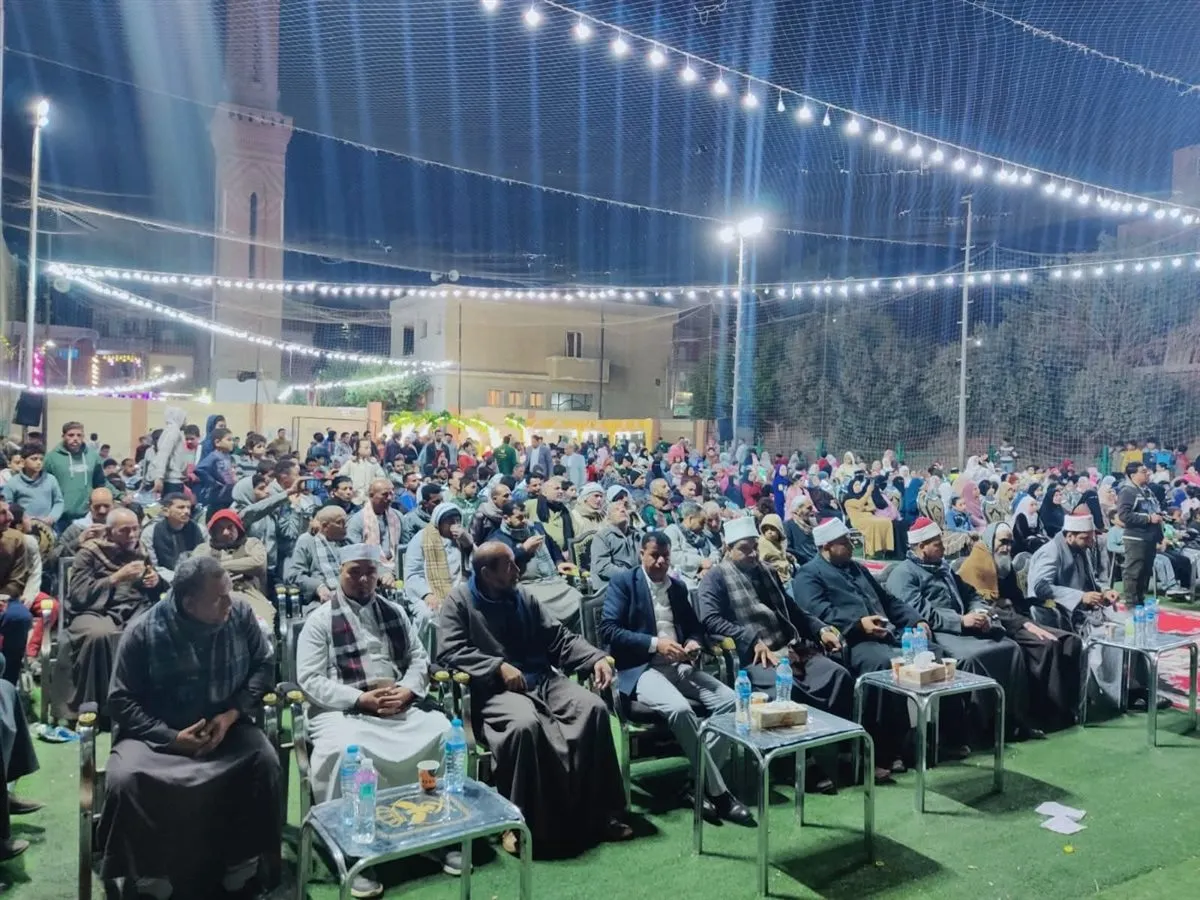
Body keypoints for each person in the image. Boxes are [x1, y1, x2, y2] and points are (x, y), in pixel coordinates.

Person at [99, 555, 280, 898]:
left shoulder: (240, 615)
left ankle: (240, 861)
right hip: (156, 734)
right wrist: (171, 738)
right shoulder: (143, 631)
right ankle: (150, 872)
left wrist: (231, 714)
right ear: (189, 603)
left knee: (264, 761)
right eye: (219, 598)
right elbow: (121, 701)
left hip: (225, 726)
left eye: (229, 593)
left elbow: (263, 665)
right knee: (126, 779)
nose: (229, 603)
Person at [438, 542, 630, 857]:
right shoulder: (458, 602)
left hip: (542, 679)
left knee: (593, 708)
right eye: (510, 566)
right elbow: (450, 650)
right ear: (486, 573)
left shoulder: (523, 596)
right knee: (524, 726)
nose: (518, 570)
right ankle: (515, 822)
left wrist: (595, 657)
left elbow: (558, 637)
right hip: (493, 691)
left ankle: (601, 813)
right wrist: (496, 666)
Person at [296, 543, 456, 897]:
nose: (364, 579)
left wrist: (408, 690)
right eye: (354, 572)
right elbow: (309, 679)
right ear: (340, 574)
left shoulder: (394, 611)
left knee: (443, 732)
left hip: (397, 704)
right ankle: (353, 849)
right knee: (346, 750)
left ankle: (436, 831)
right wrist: (359, 699)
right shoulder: (320, 620)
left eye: (370, 572)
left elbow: (418, 658)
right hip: (343, 709)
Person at [600, 533, 754, 825]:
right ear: (641, 554)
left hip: (679, 665)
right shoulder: (624, 583)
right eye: (654, 555)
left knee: (732, 702)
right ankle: (719, 794)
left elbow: (694, 628)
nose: (660, 561)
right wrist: (655, 644)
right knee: (680, 709)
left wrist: (693, 642)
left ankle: (695, 784)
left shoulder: (678, 587)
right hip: (642, 668)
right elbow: (609, 630)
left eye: (665, 556)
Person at [700, 517, 854, 787]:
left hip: (788, 647)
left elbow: (792, 610)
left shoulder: (767, 571)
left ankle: (840, 750)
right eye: (744, 549)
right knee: (787, 690)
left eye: (754, 548)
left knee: (837, 675)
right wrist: (750, 639)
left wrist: (819, 629)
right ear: (728, 548)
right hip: (753, 657)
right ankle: (794, 764)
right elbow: (710, 619)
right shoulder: (715, 577)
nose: (752, 554)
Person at [791, 518, 930, 779]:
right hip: (850, 641)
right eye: (844, 542)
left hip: (886, 633)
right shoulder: (808, 574)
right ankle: (879, 749)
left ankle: (928, 740)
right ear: (827, 546)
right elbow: (817, 612)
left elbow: (888, 600)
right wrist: (858, 624)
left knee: (931, 653)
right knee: (882, 665)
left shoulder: (856, 568)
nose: (850, 545)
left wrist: (916, 620)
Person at [887, 518, 1041, 742]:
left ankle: (1013, 722)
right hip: (939, 632)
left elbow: (971, 594)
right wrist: (961, 620)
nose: (944, 547)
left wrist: (979, 612)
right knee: (973, 658)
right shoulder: (904, 574)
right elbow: (919, 613)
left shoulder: (943, 568)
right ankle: (981, 730)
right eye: (937, 544)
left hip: (964, 626)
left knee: (1011, 648)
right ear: (921, 547)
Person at [1026, 512, 1167, 712]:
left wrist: (1104, 591)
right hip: (1065, 616)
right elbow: (1040, 588)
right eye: (1086, 538)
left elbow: (1090, 581)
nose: (1091, 542)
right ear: (1069, 535)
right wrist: (1080, 597)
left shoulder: (1080, 549)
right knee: (1116, 635)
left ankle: (1139, 688)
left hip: (1089, 612)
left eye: (1091, 537)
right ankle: (1120, 695)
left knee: (1134, 626)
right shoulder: (1050, 552)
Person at [957, 522, 1083, 729]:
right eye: (1003, 542)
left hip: (1018, 618)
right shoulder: (975, 566)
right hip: (998, 624)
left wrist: (1032, 611)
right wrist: (1024, 623)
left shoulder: (1005, 566)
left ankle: (1070, 709)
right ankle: (1045, 714)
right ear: (990, 541)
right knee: (1047, 645)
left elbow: (1016, 600)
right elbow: (982, 609)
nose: (1007, 547)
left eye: (1010, 542)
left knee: (1071, 641)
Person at [57, 507, 164, 722]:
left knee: (159, 631)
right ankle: (99, 706)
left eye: (135, 529)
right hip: (95, 610)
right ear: (109, 531)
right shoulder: (89, 552)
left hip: (135, 607)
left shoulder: (140, 549)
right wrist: (116, 578)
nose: (132, 535)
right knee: (99, 635)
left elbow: (151, 589)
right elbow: (78, 595)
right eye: (125, 530)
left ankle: (148, 705)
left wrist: (155, 581)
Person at [488, 500, 581, 627]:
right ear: (506, 518)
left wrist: (558, 562)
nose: (525, 521)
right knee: (541, 609)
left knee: (578, 599)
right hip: (527, 584)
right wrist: (523, 549)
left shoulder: (536, 528)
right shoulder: (498, 539)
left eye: (526, 516)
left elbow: (552, 544)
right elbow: (502, 566)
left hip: (551, 579)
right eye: (519, 517)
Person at [403, 502, 474, 641]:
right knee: (428, 614)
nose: (455, 525)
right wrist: (426, 594)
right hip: (427, 591)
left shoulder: (463, 538)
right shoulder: (421, 538)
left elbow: (476, 566)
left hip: (459, 590)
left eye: (457, 521)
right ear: (439, 523)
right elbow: (413, 573)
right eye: (450, 522)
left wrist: (468, 544)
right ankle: (425, 649)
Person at [191, 508, 273, 627]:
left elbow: (258, 563)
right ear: (213, 532)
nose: (225, 532)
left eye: (230, 527)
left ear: (238, 527)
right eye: (220, 529)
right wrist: (240, 565)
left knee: (263, 626)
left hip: (248, 592)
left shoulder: (252, 544)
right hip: (215, 596)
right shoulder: (203, 549)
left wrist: (218, 566)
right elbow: (197, 569)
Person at [1116, 462, 1164, 607]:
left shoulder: (1148, 491)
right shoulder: (1127, 491)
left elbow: (1155, 511)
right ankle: (1131, 604)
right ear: (1133, 475)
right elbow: (1124, 515)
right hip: (1136, 538)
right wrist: (1148, 518)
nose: (1147, 473)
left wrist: (1160, 535)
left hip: (1150, 537)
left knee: (1145, 572)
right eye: (1143, 471)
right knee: (1133, 572)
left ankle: (1140, 602)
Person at [43, 421, 104, 530]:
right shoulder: (51, 458)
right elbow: (43, 486)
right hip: (60, 517)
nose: (75, 438)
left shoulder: (93, 457)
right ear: (63, 436)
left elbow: (101, 483)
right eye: (71, 435)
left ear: (83, 437)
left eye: (79, 435)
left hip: (86, 515)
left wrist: (120, 495)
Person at [285, 505, 349, 608]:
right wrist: (318, 587)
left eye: (345, 522)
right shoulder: (307, 541)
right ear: (325, 526)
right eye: (339, 522)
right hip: (321, 600)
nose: (345, 526)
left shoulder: (347, 542)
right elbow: (294, 575)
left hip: (350, 595)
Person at [347, 479, 403, 586]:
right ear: (371, 495)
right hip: (370, 575)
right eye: (385, 495)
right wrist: (382, 572)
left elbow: (404, 549)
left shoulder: (398, 516)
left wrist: (395, 571)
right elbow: (357, 555)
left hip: (397, 571)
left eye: (392, 494)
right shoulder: (357, 521)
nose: (390, 498)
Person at [141, 493, 206, 584]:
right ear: (166, 511)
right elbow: (153, 566)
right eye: (181, 507)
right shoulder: (150, 532)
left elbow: (206, 559)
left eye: (188, 507)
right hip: (164, 581)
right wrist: (176, 578)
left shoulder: (200, 530)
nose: (187, 511)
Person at [0, 502, 32, 688]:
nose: (11, 517)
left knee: (20, 617)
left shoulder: (16, 539)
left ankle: (8, 684)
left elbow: (17, 580)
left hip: (5, 599)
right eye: (2, 513)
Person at [588, 490, 641, 590]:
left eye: (624, 509)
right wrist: (631, 575)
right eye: (617, 509)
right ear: (608, 518)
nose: (622, 510)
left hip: (636, 582)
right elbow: (604, 567)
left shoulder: (637, 534)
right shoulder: (602, 537)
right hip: (611, 586)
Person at [662, 501, 720, 592]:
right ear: (690, 519)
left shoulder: (702, 534)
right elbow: (674, 556)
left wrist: (708, 566)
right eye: (701, 522)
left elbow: (715, 552)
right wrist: (700, 562)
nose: (703, 526)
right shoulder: (673, 531)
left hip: (708, 575)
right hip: (684, 580)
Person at [195, 427, 237, 512]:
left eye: (232, 440)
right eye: (229, 440)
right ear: (217, 442)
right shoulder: (214, 456)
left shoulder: (229, 457)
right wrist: (213, 482)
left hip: (229, 493)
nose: (232, 442)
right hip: (218, 496)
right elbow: (200, 469)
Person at [341, 439, 386, 506]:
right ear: (358, 449)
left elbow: (382, 476)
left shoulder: (373, 463)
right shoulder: (351, 463)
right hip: (354, 498)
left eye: (370, 448)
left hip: (369, 498)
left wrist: (373, 483)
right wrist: (350, 488)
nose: (369, 450)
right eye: (366, 448)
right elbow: (341, 477)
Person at [400, 483, 443, 550]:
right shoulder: (411, 519)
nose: (441, 505)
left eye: (442, 500)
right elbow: (408, 546)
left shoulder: (445, 515)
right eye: (436, 502)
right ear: (425, 503)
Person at [785, 494, 819, 568]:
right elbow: (788, 549)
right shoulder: (789, 526)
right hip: (805, 565)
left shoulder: (814, 523)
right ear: (798, 510)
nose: (812, 510)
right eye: (809, 508)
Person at [757, 513, 793, 581]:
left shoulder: (778, 542)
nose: (769, 532)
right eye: (766, 530)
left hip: (786, 574)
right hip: (777, 577)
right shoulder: (763, 543)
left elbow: (781, 556)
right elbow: (763, 561)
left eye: (772, 529)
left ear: (779, 529)